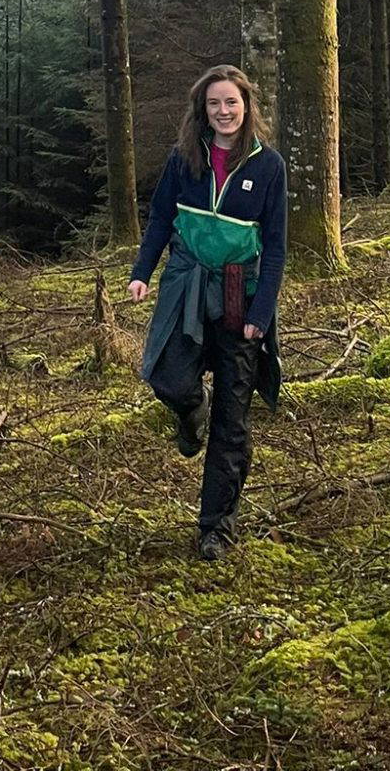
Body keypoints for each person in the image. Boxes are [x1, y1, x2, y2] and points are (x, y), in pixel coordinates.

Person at [125, 63, 286, 561]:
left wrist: (262, 311)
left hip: (241, 294)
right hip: (187, 284)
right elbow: (160, 218)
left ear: (246, 106)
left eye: (231, 102)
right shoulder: (183, 159)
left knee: (232, 420)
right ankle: (190, 410)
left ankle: (216, 527)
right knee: (168, 378)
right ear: (202, 109)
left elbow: (276, 246)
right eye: (214, 103)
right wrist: (142, 271)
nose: (223, 111)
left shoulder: (268, 166)